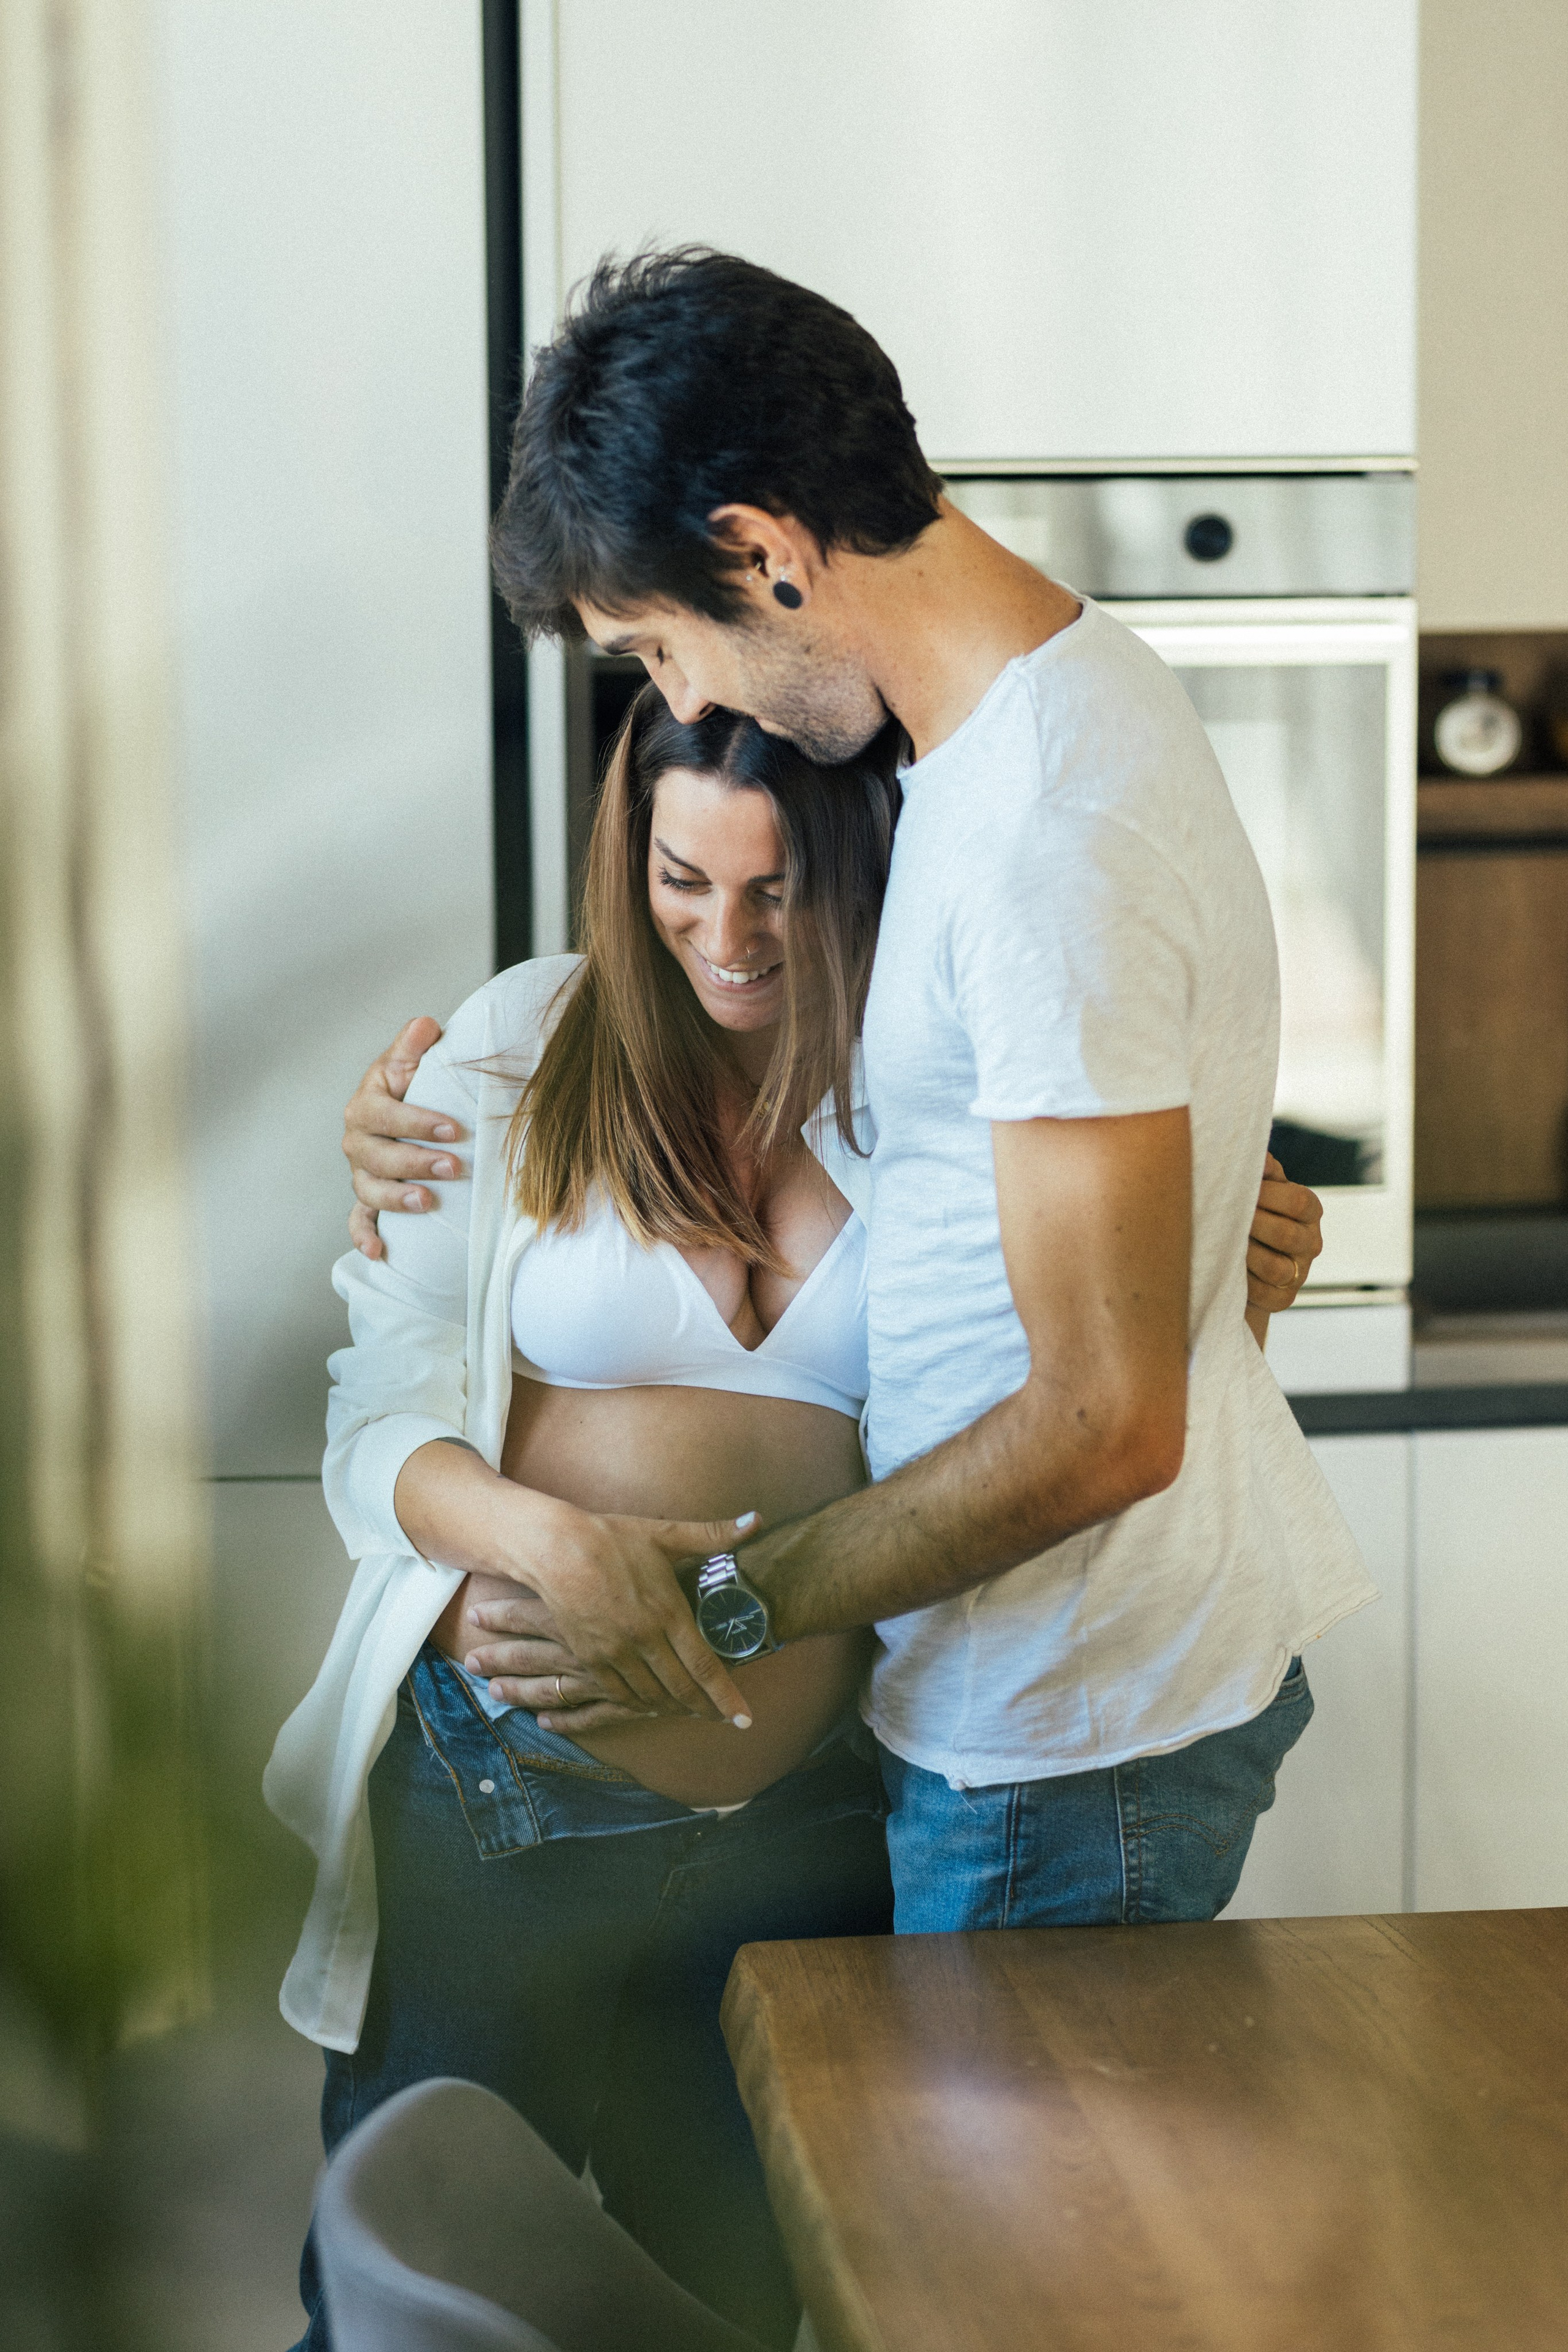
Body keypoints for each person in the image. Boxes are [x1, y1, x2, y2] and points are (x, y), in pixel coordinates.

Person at [274, 679, 1323, 2349]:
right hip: (511, 1794)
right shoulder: (519, 1043)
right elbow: (374, 1404)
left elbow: (1065, 1390)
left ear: (863, 865)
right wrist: (545, 1543)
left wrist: (1225, 1284)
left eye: (779, 891)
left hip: (811, 1821)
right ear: (629, 863)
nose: (728, 939)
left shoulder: (934, 1078)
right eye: (682, 882)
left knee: (736, 2303)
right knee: (414, 2294)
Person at [345, 249, 1370, 1938]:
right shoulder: (1011, 744)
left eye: (662, 646)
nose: (683, 707)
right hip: (1013, 1704)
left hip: (1062, 1731)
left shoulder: (1040, 823)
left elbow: (1105, 1421)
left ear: (764, 551)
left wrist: (719, 1606)